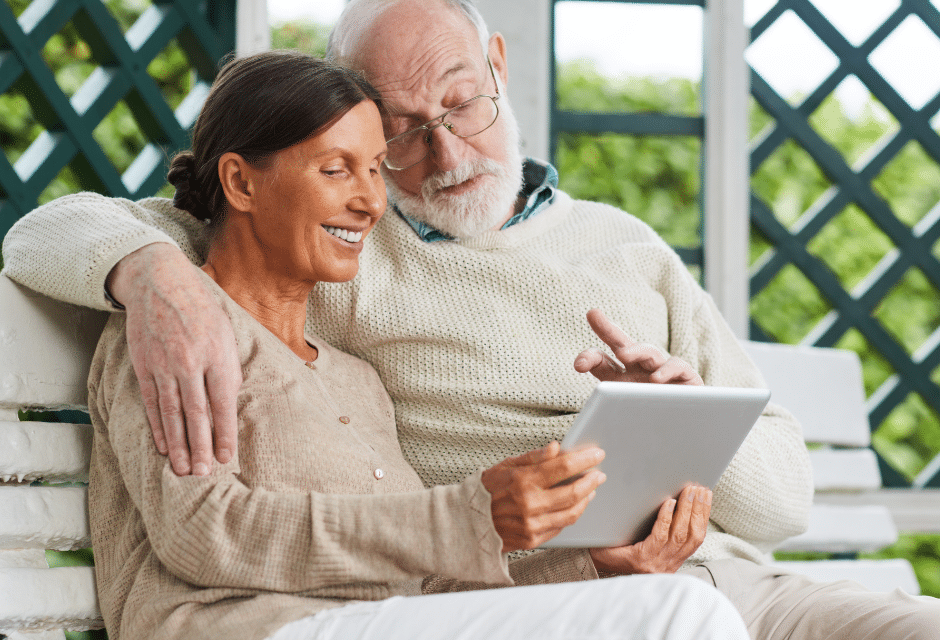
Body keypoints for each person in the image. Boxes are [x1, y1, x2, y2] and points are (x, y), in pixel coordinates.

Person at [2, 0, 938, 638]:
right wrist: (150, 272)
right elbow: (67, 226)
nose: (442, 150)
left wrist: (685, 415)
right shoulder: (329, 257)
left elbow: (781, 506)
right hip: (549, 602)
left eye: (460, 102)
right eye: (399, 131)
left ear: (498, 64)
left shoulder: (626, 245)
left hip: (714, 577)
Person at [80, 49, 747, 640]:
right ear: (241, 182)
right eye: (337, 169)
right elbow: (202, 531)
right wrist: (471, 515)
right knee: (683, 619)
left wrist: (592, 563)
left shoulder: (355, 380)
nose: (371, 201)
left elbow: (427, 590)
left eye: (375, 169)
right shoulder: (173, 336)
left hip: (376, 625)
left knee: (673, 598)